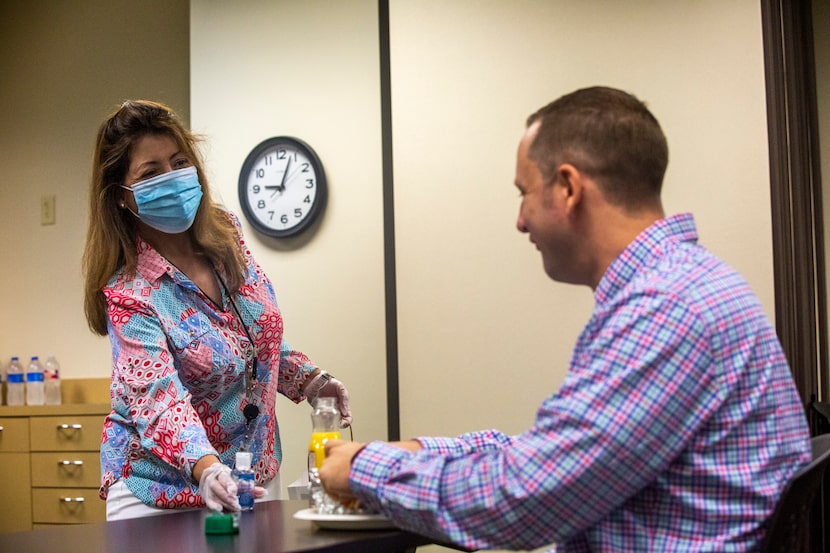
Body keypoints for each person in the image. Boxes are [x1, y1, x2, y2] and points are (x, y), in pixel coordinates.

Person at [318, 86, 812, 552]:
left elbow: (523, 499)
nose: (519, 220)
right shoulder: (683, 287)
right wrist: (419, 450)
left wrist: (367, 469)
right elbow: (559, 452)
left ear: (569, 188)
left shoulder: (665, 308)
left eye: (523, 192)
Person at [82, 99, 352, 520]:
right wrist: (206, 469)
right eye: (151, 173)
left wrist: (310, 380)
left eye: (179, 162)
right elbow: (157, 401)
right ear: (121, 196)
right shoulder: (129, 292)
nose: (171, 179)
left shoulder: (226, 236)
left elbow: (252, 337)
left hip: (252, 476)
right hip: (160, 492)